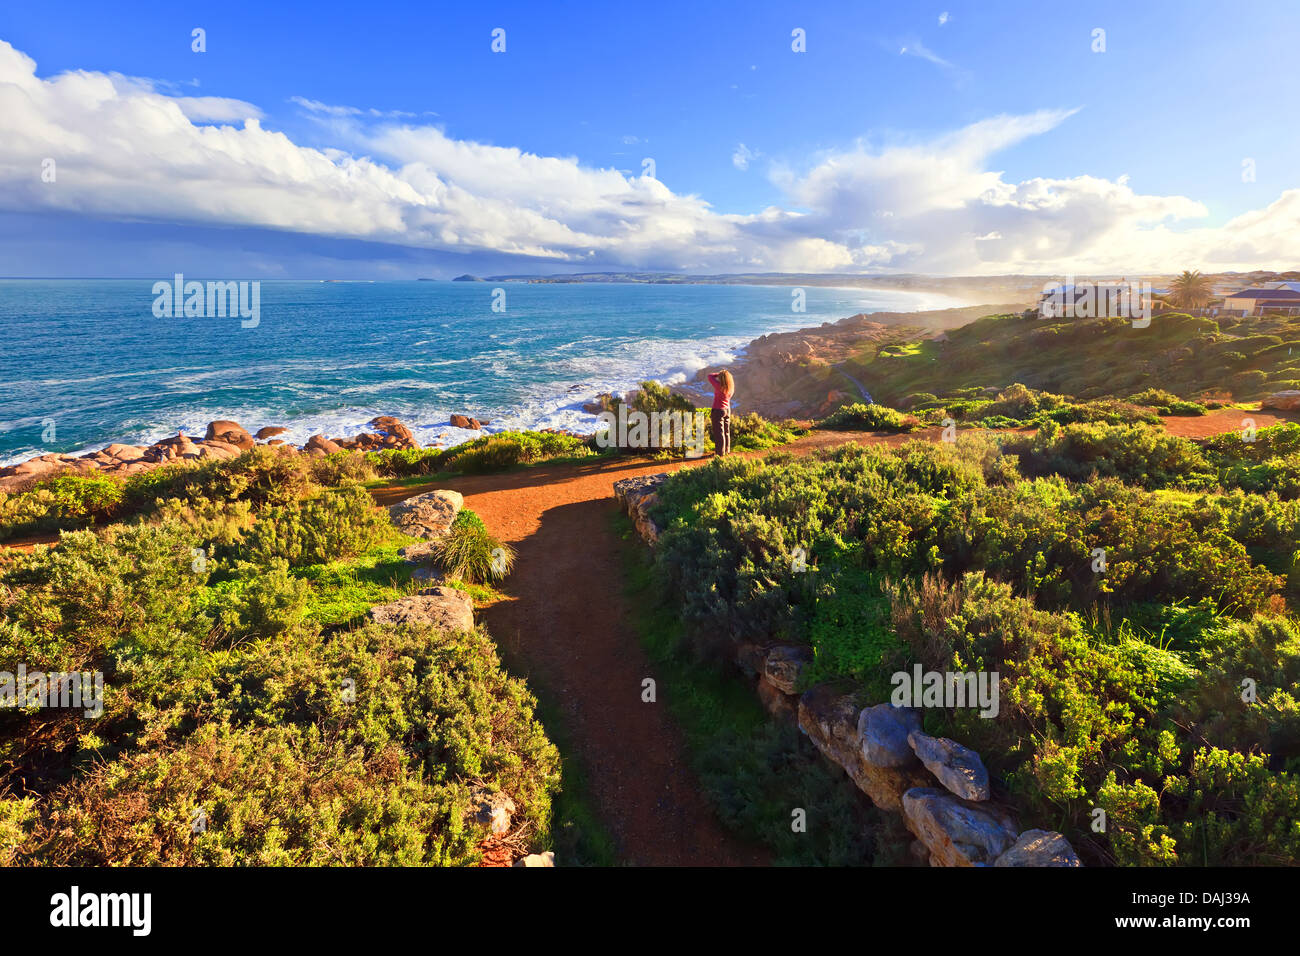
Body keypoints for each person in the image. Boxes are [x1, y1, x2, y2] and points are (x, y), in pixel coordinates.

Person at [707, 368, 734, 457]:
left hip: (718, 410)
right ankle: (726, 450)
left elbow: (710, 376)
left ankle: (719, 454)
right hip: (727, 410)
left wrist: (718, 374)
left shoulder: (719, 386)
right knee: (726, 432)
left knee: (719, 433)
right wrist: (725, 374)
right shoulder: (730, 388)